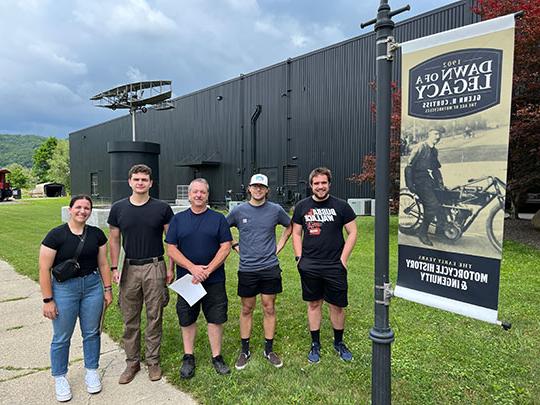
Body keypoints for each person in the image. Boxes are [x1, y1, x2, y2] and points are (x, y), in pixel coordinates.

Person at [39, 195, 113, 402]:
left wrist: (107, 290)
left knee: (91, 333)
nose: (82, 211)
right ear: (70, 209)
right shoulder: (56, 235)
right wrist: (48, 300)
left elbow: (104, 264)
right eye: (78, 207)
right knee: (62, 336)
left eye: (86, 208)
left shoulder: (97, 234)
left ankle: (91, 370)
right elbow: (44, 269)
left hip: (92, 287)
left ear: (90, 211)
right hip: (64, 290)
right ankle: (60, 376)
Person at [107, 164, 174, 384]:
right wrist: (114, 267)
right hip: (129, 267)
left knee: (154, 316)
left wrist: (170, 268)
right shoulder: (118, 208)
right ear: (130, 182)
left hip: (155, 266)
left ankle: (153, 361)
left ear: (150, 183)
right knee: (130, 318)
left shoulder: (162, 208)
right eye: (136, 179)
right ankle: (132, 362)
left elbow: (171, 241)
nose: (140, 183)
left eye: (144, 180)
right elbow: (114, 239)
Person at [166, 178, 232, 379]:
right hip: (188, 281)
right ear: (189, 194)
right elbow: (171, 248)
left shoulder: (218, 219)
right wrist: (192, 268)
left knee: (215, 318)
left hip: (214, 279)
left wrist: (208, 269)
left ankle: (217, 357)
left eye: (202, 192)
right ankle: (188, 356)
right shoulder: (178, 220)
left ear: (207, 195)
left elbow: (226, 246)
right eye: (195, 192)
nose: (198, 195)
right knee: (187, 318)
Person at [292, 167, 357, 363]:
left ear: (329, 184)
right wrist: (299, 258)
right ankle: (315, 343)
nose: (320, 186)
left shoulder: (342, 206)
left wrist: (343, 259)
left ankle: (338, 343)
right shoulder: (302, 206)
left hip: (334, 265)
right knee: (314, 304)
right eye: (316, 183)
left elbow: (353, 232)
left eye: (323, 183)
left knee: (337, 306)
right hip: (310, 264)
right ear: (311, 185)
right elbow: (296, 233)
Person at [227, 173, 292, 370]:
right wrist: (235, 245)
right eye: (254, 186)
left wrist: (278, 247)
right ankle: (245, 350)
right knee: (247, 308)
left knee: (268, 307)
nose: (258, 189)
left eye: (261, 187)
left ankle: (268, 349)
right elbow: (222, 228)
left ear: (266, 190)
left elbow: (290, 227)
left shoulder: (275, 210)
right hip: (247, 269)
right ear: (249, 188)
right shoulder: (239, 211)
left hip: (269, 267)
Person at [406, 127, 446, 246]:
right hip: (418, 180)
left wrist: (440, 183)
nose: (438, 137)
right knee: (433, 206)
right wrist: (409, 184)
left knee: (444, 198)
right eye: (435, 134)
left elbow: (435, 169)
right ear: (429, 134)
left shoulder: (434, 151)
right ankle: (422, 233)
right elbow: (409, 166)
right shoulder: (420, 147)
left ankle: (440, 229)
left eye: (440, 135)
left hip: (428, 179)